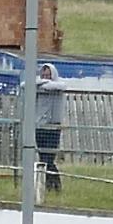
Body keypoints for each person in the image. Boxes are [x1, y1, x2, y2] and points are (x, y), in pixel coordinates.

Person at [34, 63, 66, 192]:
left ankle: (56, 185)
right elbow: (24, 85)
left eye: (48, 75)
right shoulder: (38, 86)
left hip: (53, 128)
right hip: (40, 127)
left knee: (49, 158)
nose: (46, 77)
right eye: (44, 75)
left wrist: (43, 84)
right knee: (42, 158)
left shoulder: (58, 87)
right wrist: (40, 83)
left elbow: (61, 85)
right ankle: (48, 185)